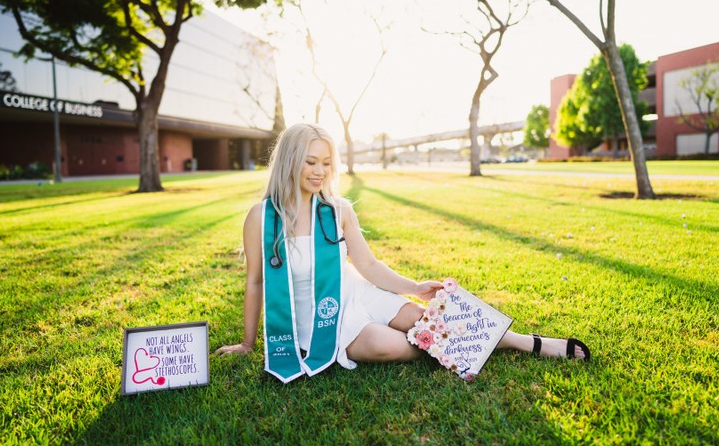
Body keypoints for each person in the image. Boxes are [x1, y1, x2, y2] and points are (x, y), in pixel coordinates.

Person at [214, 123, 590, 382]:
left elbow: (368, 265)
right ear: (289, 161)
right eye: (310, 162)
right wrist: (248, 343)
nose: (319, 172)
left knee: (429, 322)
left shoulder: (338, 210)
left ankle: (522, 342)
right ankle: (470, 346)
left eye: (326, 163)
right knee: (385, 345)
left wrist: (414, 286)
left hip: (357, 292)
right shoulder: (262, 218)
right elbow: (255, 282)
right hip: (316, 321)